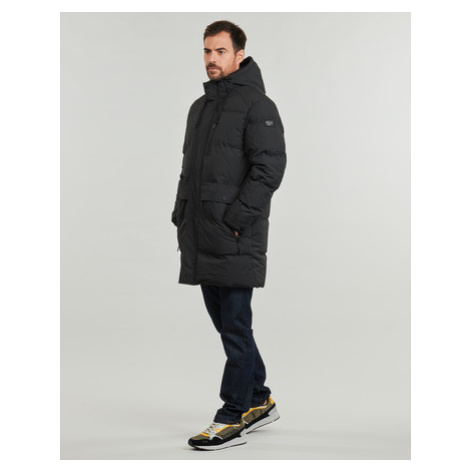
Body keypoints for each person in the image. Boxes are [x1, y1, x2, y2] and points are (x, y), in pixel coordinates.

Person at [171, 20, 287, 451]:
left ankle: (233, 414)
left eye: (220, 51)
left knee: (236, 327)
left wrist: (236, 219)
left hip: (235, 236)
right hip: (202, 233)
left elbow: (269, 168)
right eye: (207, 51)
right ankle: (259, 398)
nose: (211, 59)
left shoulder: (258, 105)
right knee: (228, 327)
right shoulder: (200, 108)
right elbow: (191, 169)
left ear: (239, 54)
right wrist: (181, 213)